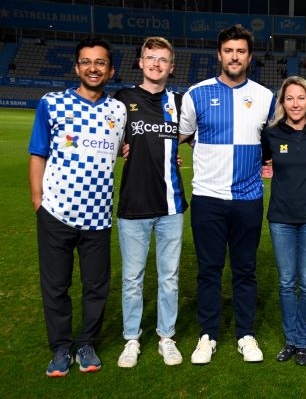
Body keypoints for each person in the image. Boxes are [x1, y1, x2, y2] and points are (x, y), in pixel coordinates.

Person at [28, 37, 126, 377]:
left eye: (100, 62)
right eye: (86, 61)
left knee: (96, 286)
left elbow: (120, 149)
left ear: (110, 70)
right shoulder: (52, 103)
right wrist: (38, 200)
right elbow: (38, 152)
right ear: (77, 67)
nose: (93, 68)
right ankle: (60, 348)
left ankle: (87, 344)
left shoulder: (118, 110)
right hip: (56, 212)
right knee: (56, 286)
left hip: (98, 215)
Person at [178, 24, 275, 364]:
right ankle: (208, 335)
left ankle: (246, 334)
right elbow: (180, 135)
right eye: (229, 51)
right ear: (219, 54)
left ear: (249, 57)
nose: (235, 57)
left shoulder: (265, 96)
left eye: (241, 51)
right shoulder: (195, 94)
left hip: (248, 198)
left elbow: (278, 138)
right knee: (209, 269)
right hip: (207, 198)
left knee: (245, 270)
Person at [114, 37, 187, 368]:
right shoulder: (122, 99)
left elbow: (199, 135)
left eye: (163, 59)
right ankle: (132, 339)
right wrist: (119, 149)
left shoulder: (180, 102)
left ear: (171, 67)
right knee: (132, 278)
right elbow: (106, 140)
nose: (156, 63)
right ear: (141, 62)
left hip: (171, 206)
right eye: (150, 57)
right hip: (133, 205)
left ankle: (166, 337)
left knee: (169, 276)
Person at [261, 76, 306, 366]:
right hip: (281, 218)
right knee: (287, 282)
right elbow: (262, 160)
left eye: (301, 97)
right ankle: (290, 340)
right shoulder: (271, 133)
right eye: (290, 98)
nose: (296, 103)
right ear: (282, 103)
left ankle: (303, 342)